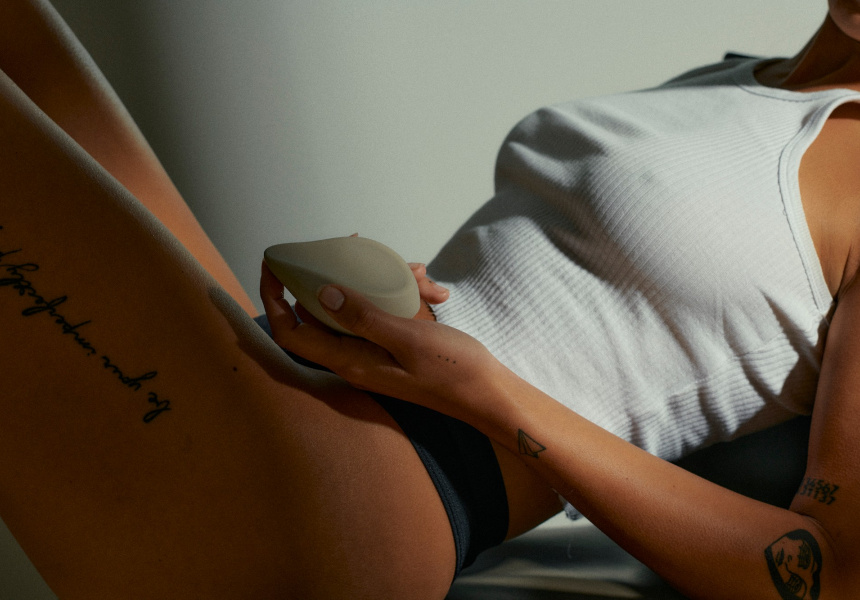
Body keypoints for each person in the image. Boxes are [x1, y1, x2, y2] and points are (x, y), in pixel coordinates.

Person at [1, 1, 858, 599]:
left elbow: (828, 572)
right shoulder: (745, 85)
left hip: (371, 488)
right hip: (307, 393)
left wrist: (481, 389)